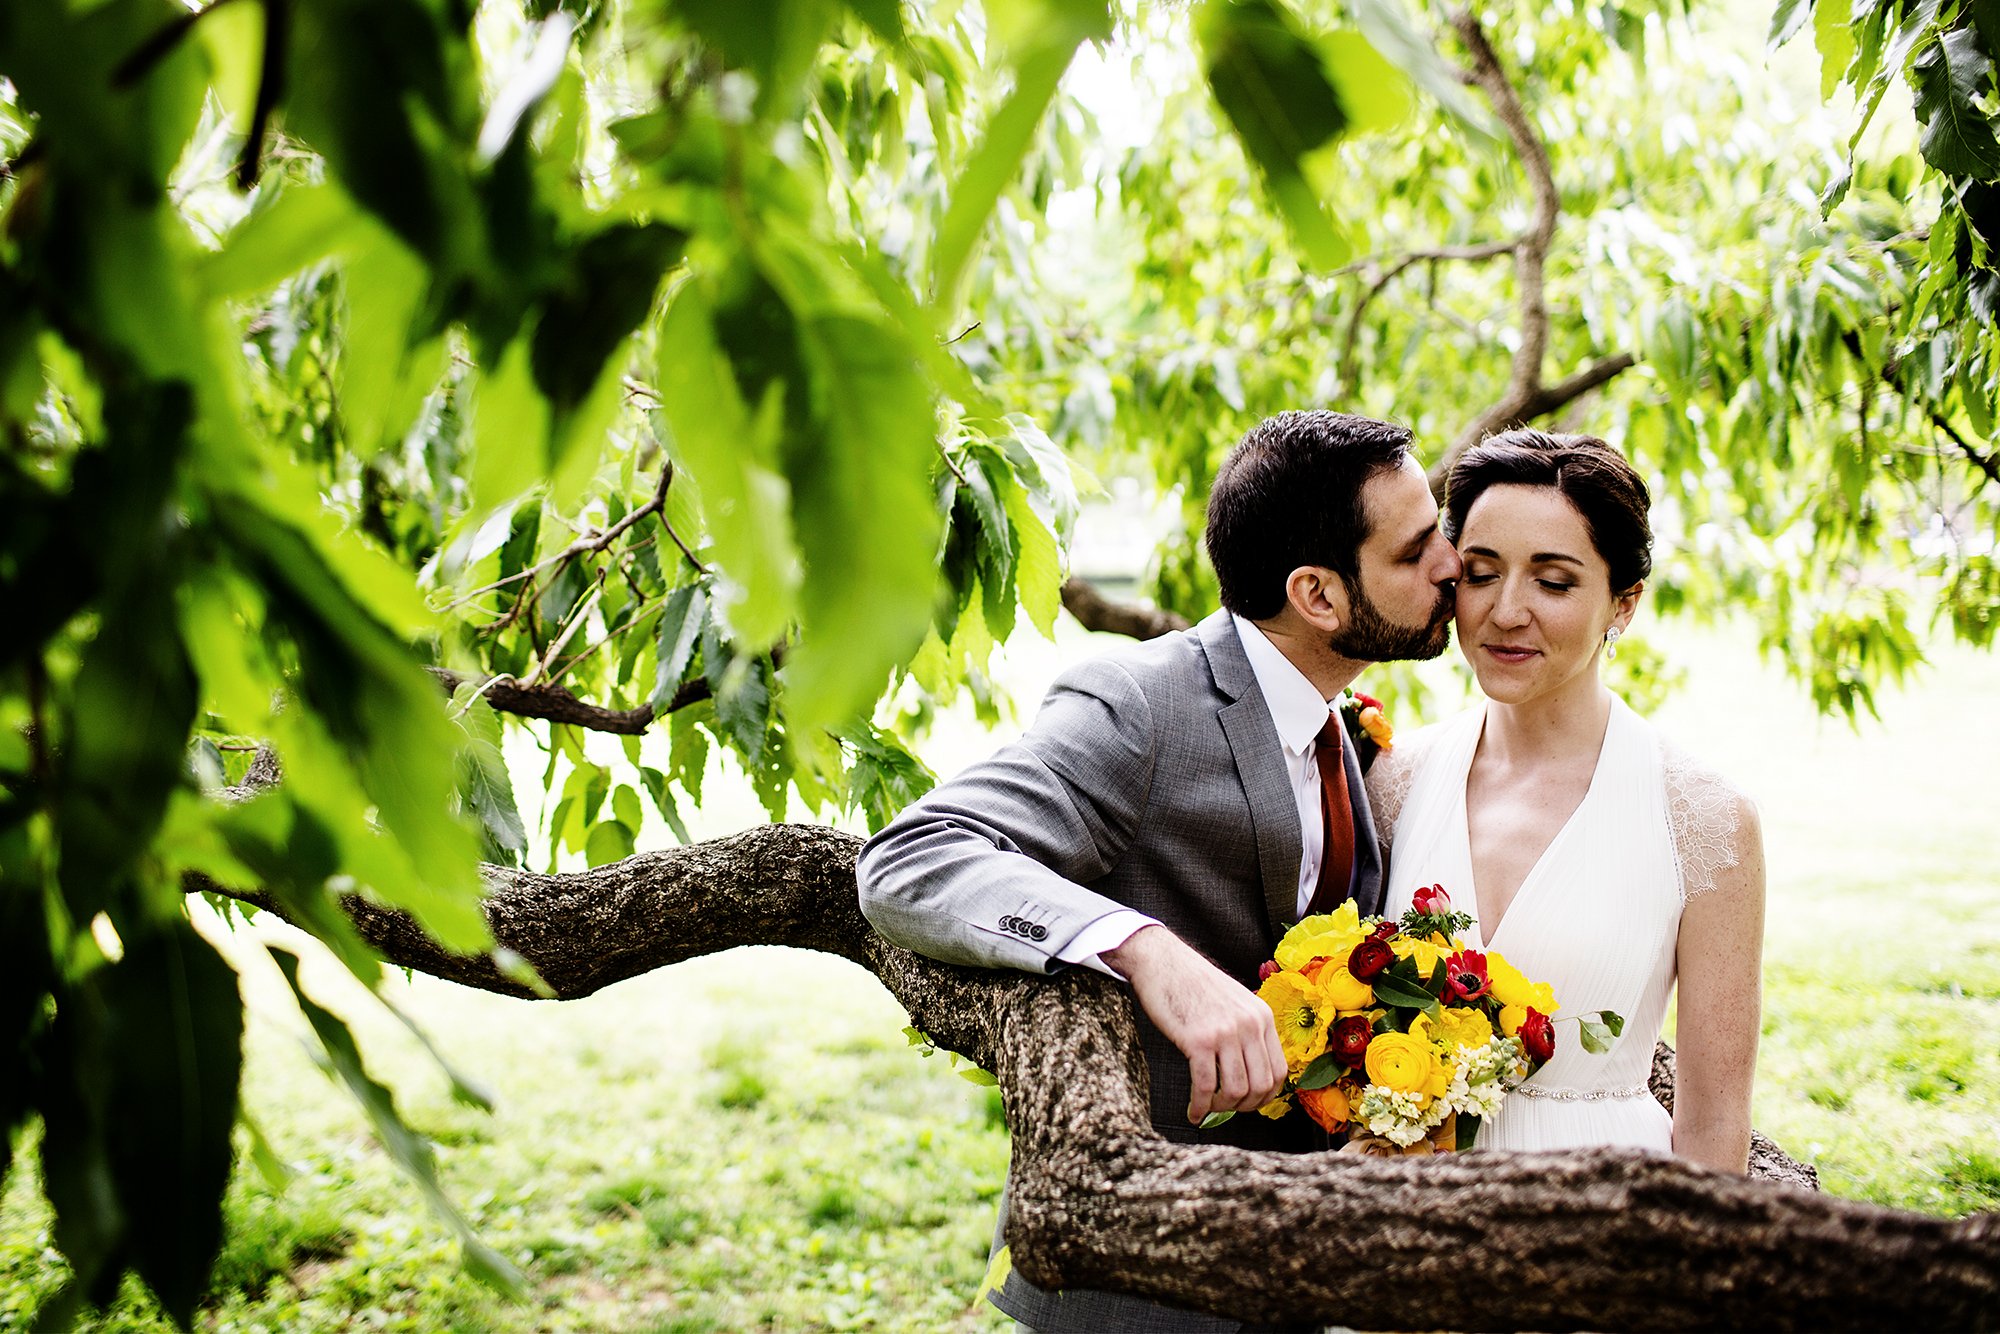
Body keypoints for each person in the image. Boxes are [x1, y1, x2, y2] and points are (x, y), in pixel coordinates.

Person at [857, 410, 1462, 1331]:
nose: (1451, 565)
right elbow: (913, 855)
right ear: (1319, 596)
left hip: (1295, 1263)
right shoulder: (1138, 705)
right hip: (1137, 1283)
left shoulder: (1334, 722)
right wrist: (1146, 950)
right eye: (1418, 549)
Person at [1366, 429, 1765, 1171]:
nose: (1505, 611)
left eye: (1553, 582)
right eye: (1481, 573)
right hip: (1409, 1219)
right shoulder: (1392, 780)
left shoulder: (1706, 819)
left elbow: (1714, 1128)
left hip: (1606, 1223)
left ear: (1624, 603)